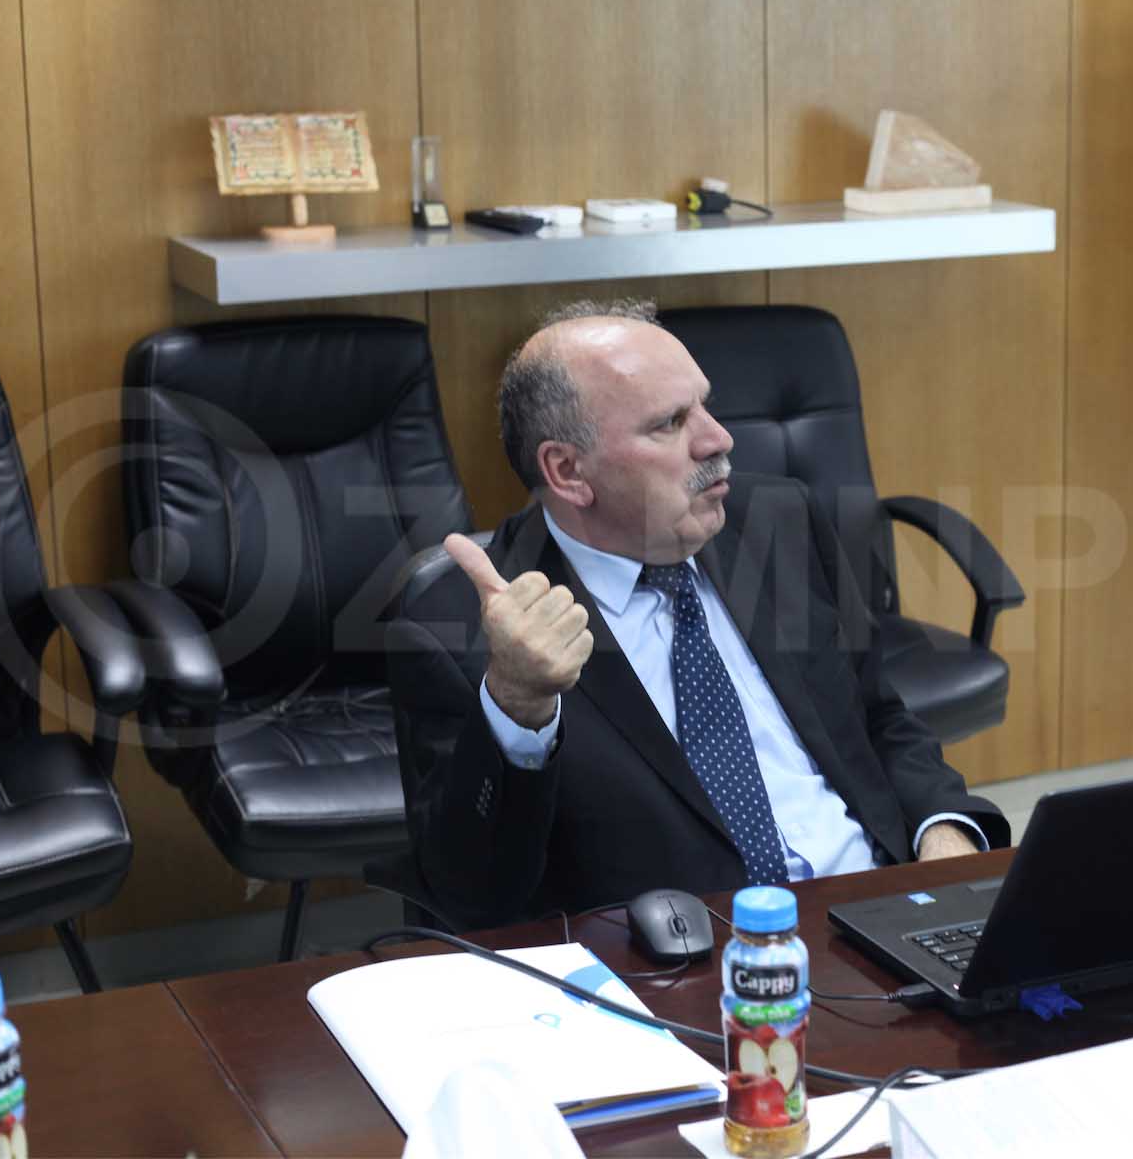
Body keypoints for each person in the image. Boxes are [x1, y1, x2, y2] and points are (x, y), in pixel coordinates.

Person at [388, 298, 1007, 925]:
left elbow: (877, 718)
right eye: (669, 423)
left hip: (880, 910)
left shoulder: (779, 522)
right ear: (569, 471)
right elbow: (471, 894)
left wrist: (944, 831)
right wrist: (517, 705)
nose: (719, 439)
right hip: (685, 954)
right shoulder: (463, 627)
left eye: (704, 405)